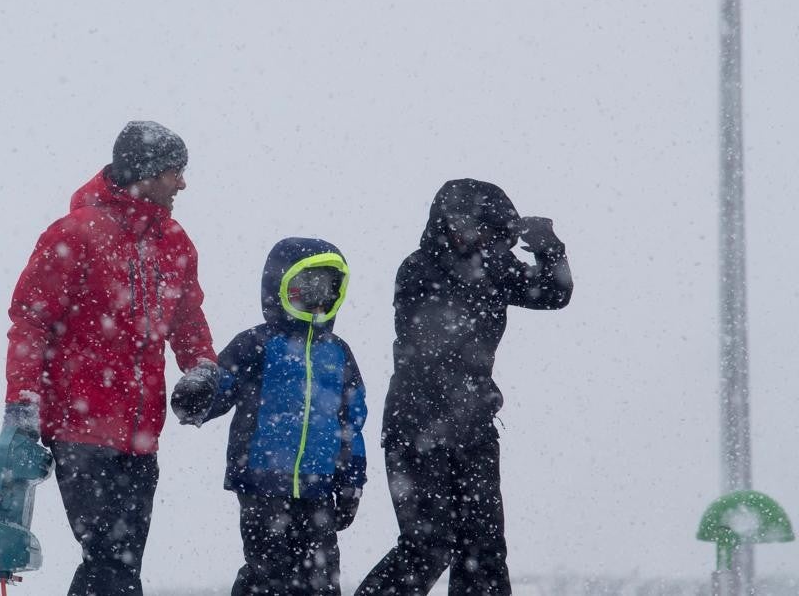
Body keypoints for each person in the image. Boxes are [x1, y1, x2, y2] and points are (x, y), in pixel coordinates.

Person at [1, 121, 218, 596]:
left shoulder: (174, 241)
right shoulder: (75, 235)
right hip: (79, 428)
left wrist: (202, 367)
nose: (182, 183)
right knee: (111, 562)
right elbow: (30, 322)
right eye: (173, 171)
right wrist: (22, 403)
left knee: (120, 566)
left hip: (141, 433)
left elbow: (187, 319)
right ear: (145, 172)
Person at [355, 179, 573, 596]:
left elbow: (553, 294)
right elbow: (432, 342)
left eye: (485, 230)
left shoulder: (492, 266)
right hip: (416, 427)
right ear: (444, 224)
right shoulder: (418, 268)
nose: (474, 238)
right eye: (467, 227)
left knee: (484, 552)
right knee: (429, 546)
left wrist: (549, 250)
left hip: (473, 430)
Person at [172, 237, 368, 596]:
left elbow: (351, 423)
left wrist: (352, 481)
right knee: (269, 572)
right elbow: (222, 385)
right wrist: (196, 399)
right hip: (262, 483)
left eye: (326, 286)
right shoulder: (256, 343)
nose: (316, 295)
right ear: (279, 287)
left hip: (319, 485)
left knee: (322, 577)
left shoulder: (338, 353)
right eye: (304, 286)